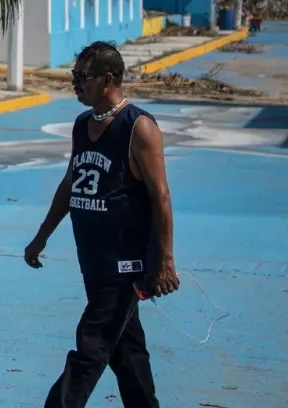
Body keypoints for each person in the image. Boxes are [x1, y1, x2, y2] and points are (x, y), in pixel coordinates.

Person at [25, 41, 178, 408]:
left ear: (108, 79)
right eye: (73, 76)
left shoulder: (138, 128)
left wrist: (164, 261)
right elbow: (69, 185)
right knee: (127, 353)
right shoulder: (82, 125)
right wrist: (41, 236)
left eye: (83, 77)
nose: (75, 83)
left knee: (91, 346)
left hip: (125, 265)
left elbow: (161, 197)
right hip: (93, 261)